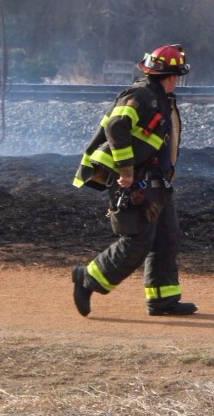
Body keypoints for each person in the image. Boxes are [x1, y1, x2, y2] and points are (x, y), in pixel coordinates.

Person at [70, 44, 197, 317]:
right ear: (172, 76)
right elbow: (116, 127)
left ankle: (163, 300)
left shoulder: (160, 98)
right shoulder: (141, 96)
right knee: (136, 242)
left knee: (166, 238)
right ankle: (86, 279)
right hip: (133, 182)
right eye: (178, 76)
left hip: (155, 182)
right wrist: (126, 172)